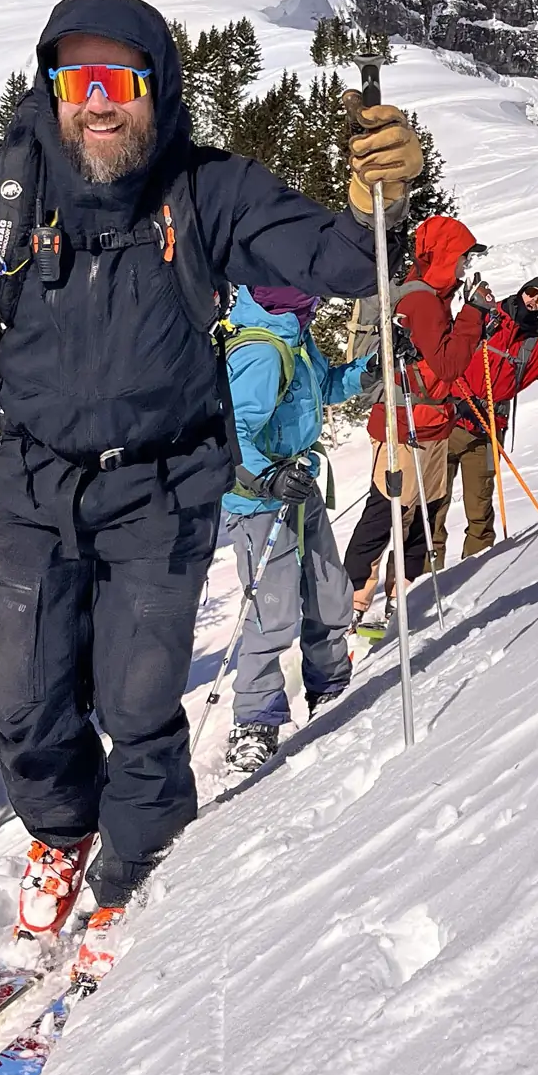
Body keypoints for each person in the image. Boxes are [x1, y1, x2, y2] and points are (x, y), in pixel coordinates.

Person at [0, 0, 421, 978]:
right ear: (52, 88)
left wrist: (380, 208)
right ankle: (64, 833)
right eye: (78, 81)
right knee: (23, 698)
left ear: (156, 85)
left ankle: (137, 859)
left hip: (164, 485)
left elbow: (330, 259)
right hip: (34, 483)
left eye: (119, 79)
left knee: (137, 694)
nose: (98, 103)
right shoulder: (4, 197)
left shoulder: (206, 192)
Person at [214, 283, 373, 774]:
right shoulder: (263, 350)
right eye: (311, 289)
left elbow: (325, 388)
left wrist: (369, 370)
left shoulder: (295, 338)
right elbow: (229, 435)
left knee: (329, 588)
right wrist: (269, 476)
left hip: (297, 482)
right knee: (274, 608)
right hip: (261, 499)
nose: (322, 298)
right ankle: (255, 718)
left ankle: (330, 683)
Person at [342, 214, 492, 614]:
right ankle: (355, 599)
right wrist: (473, 315)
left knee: (419, 511)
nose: (465, 265)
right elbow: (445, 365)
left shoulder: (432, 297)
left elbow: (437, 366)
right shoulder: (422, 301)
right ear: (443, 255)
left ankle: (397, 592)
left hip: (429, 422)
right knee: (387, 512)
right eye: (461, 257)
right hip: (404, 425)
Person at [440, 276, 538, 560]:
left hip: (487, 433)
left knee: (479, 510)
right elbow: (445, 352)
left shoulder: (534, 346)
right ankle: (423, 580)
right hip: (448, 421)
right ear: (521, 291)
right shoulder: (488, 316)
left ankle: (471, 574)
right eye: (531, 294)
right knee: (432, 505)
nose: (533, 301)